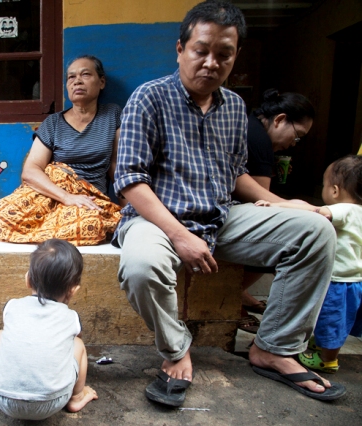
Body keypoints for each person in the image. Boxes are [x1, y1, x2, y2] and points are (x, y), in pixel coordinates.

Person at [113, 0, 345, 406]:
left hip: (220, 218)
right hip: (155, 219)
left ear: (235, 56)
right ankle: (175, 349)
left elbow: (236, 176)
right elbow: (131, 181)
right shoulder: (148, 98)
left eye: (224, 54)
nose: (211, 62)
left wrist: (287, 204)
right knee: (140, 265)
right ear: (180, 49)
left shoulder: (235, 107)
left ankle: (274, 347)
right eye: (201, 50)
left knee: (316, 232)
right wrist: (180, 236)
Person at [0, 55, 122, 245]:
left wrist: (127, 211)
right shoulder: (53, 123)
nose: (77, 81)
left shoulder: (112, 116)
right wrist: (66, 197)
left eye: (85, 74)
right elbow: (31, 171)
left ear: (102, 82)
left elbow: (118, 167)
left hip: (88, 198)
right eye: (71, 77)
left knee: (91, 226)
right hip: (52, 193)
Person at [255, 155, 362, 374]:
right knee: (338, 317)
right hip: (354, 280)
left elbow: (317, 212)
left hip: (338, 280)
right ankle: (321, 344)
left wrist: (277, 206)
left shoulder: (345, 210)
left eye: (323, 184)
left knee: (331, 318)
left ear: (334, 190)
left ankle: (327, 359)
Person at [0, 239, 98, 420]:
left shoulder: (12, 307)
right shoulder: (71, 317)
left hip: (4, 398)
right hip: (54, 400)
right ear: (74, 290)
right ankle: (76, 397)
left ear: (28, 279)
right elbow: (69, 342)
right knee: (77, 344)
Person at [239, 89, 315, 333]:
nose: (294, 143)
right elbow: (262, 199)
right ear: (280, 119)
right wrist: (300, 207)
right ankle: (233, 296)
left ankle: (239, 292)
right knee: (287, 238)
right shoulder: (260, 140)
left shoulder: (249, 124)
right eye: (297, 136)